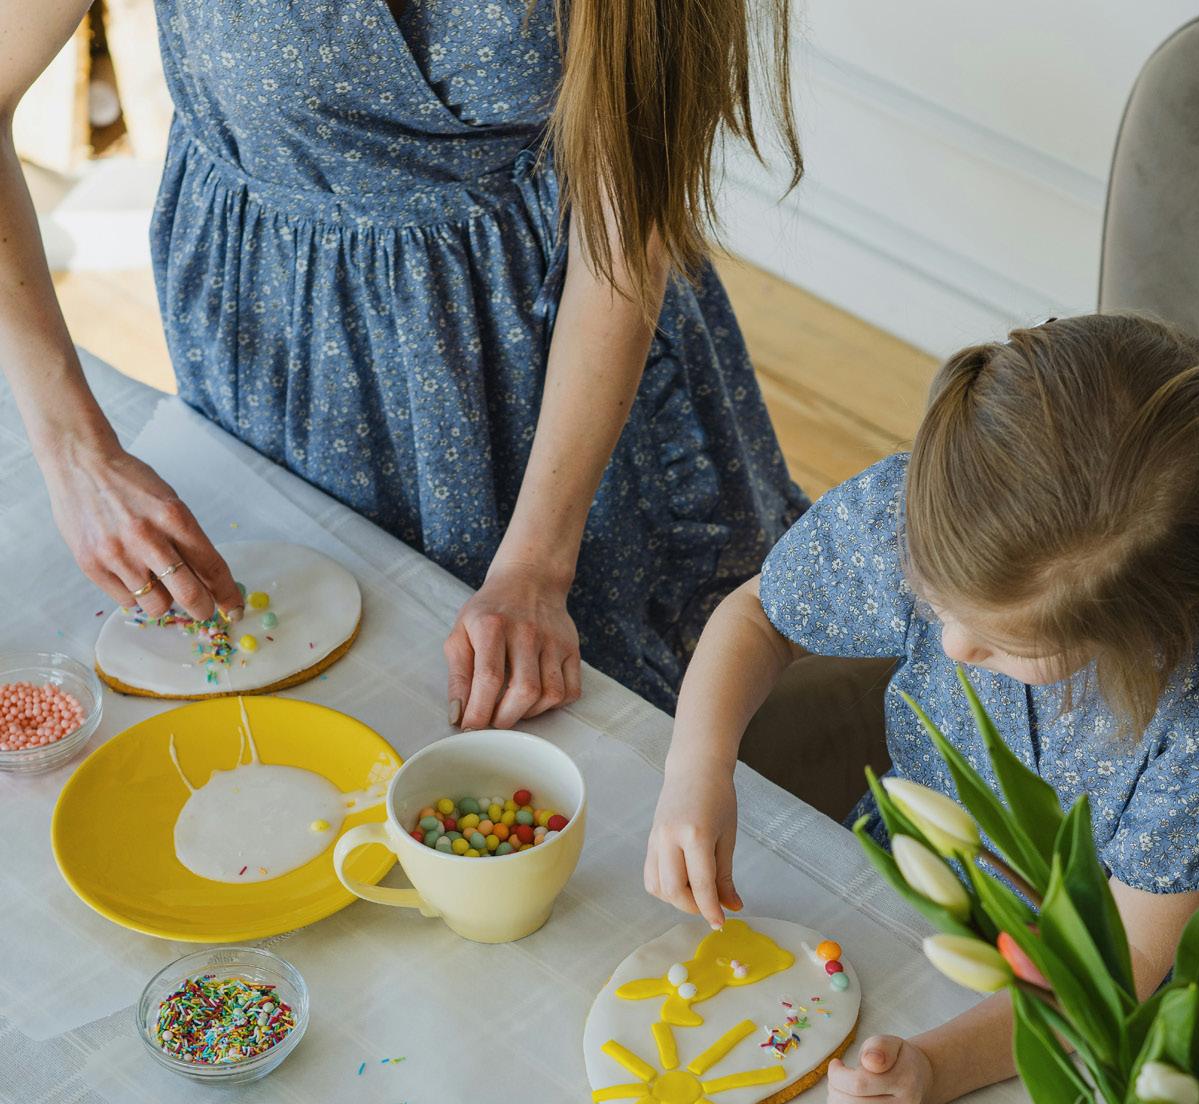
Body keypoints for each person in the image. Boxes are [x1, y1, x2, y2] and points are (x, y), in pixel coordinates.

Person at [0, 0, 806, 722]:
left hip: (563, 387)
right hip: (281, 362)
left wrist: (535, 567)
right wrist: (74, 453)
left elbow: (626, 234)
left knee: (627, 715)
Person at [645, 313, 1199, 1104]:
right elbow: (760, 618)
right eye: (933, 596)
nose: (951, 645)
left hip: (1070, 999)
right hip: (897, 871)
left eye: (1011, 644)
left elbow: (1121, 967)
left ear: (1141, 635)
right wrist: (696, 768)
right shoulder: (922, 513)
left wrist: (935, 1067)